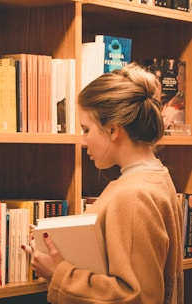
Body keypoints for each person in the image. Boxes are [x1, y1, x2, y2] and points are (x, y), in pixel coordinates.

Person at [21, 63, 184, 304]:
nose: (83, 141)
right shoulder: (158, 176)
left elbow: (137, 296)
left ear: (112, 130)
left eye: (86, 129)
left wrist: (59, 274)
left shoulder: (134, 195)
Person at [161, 61, 185, 129]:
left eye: (181, 75)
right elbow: (161, 117)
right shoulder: (179, 96)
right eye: (178, 74)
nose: (177, 78)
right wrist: (173, 102)